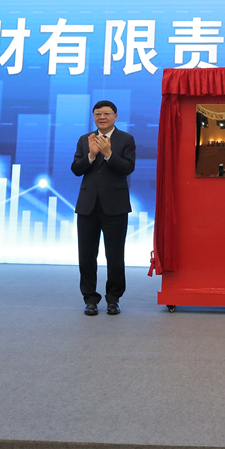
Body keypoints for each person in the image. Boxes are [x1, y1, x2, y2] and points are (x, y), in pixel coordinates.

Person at [72, 100, 136, 316]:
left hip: (115, 207)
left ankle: (113, 298)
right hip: (87, 207)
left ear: (115, 116)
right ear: (94, 117)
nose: (102, 117)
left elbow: (128, 168)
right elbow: (76, 169)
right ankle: (90, 299)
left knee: (115, 256)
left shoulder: (126, 139)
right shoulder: (85, 139)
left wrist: (108, 154)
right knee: (86, 256)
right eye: (98, 114)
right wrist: (91, 155)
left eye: (106, 113)